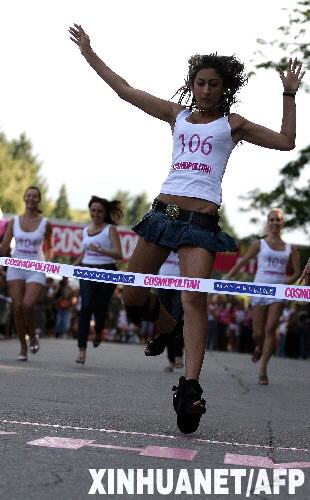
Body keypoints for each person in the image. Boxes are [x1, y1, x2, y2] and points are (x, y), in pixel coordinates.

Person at [69, 23, 304, 433]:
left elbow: (286, 141)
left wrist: (289, 93)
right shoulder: (176, 115)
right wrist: (90, 53)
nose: (207, 90)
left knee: (195, 299)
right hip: (163, 214)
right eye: (200, 83)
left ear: (224, 87)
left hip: (200, 222)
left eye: (214, 84)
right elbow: (124, 90)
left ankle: (190, 386)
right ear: (192, 85)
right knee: (131, 295)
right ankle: (166, 325)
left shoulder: (233, 124)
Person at [225, 209, 301, 384]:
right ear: (268, 222)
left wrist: (287, 282)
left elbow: (297, 272)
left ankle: (263, 370)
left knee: (270, 328)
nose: (275, 222)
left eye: (278, 220)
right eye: (272, 219)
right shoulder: (259, 244)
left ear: (283, 223)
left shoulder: (290, 248)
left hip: (278, 291)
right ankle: (259, 346)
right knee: (257, 332)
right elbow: (243, 262)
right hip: (259, 289)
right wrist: (229, 277)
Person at [0, 186, 53, 360]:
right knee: (17, 307)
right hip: (16, 266)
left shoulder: (46, 224)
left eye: (35, 196)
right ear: (24, 198)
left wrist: (50, 265)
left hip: (36, 267)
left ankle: (33, 335)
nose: (31, 198)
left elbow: (49, 248)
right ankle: (23, 347)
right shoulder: (14, 221)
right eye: (28, 195)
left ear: (39, 200)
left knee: (27, 305)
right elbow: (5, 246)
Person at [74, 195, 123, 364]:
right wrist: (71, 267)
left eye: (100, 211)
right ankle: (81, 350)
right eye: (93, 210)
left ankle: (99, 330)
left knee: (100, 308)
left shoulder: (110, 229)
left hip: (106, 271)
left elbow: (119, 255)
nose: (96, 214)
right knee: (86, 307)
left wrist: (102, 250)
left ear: (105, 213)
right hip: (87, 269)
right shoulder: (84, 230)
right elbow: (84, 253)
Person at [156, 252, 184, 373]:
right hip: (163, 282)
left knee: (177, 318)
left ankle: (178, 354)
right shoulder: (164, 237)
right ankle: (170, 360)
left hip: (181, 282)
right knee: (166, 322)